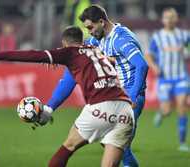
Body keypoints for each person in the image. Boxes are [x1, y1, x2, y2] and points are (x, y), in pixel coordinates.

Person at [0, 26, 135, 167]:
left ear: (64, 43)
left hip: (100, 107)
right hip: (126, 111)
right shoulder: (97, 50)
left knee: (68, 147)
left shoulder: (69, 53)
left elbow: (32, 55)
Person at [46, 4, 148, 167]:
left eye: (91, 27)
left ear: (101, 21)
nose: (89, 32)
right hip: (113, 99)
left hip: (128, 97)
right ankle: (49, 107)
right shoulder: (97, 40)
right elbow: (77, 52)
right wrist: (57, 57)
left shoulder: (120, 39)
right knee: (117, 147)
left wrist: (133, 96)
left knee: (119, 147)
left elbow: (142, 65)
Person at [146, 7, 190, 151]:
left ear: (176, 19)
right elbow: (148, 55)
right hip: (164, 79)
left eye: (172, 17)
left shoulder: (184, 35)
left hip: (181, 77)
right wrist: (154, 67)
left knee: (182, 107)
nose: (170, 20)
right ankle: (161, 113)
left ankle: (182, 143)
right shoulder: (158, 37)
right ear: (163, 20)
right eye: (167, 17)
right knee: (167, 111)